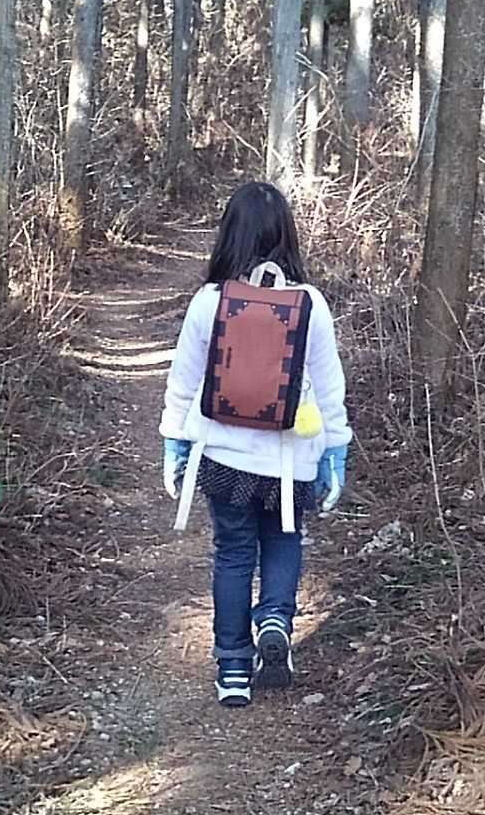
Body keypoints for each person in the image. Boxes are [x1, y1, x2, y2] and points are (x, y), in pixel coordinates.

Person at [159, 181, 352, 707]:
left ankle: (233, 669)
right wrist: (336, 450)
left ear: (230, 235)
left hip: (223, 457)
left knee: (234, 552)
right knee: (284, 541)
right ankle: (274, 621)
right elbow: (329, 385)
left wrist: (174, 442)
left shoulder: (210, 302)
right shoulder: (310, 303)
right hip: (292, 460)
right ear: (286, 235)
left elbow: (184, 380)